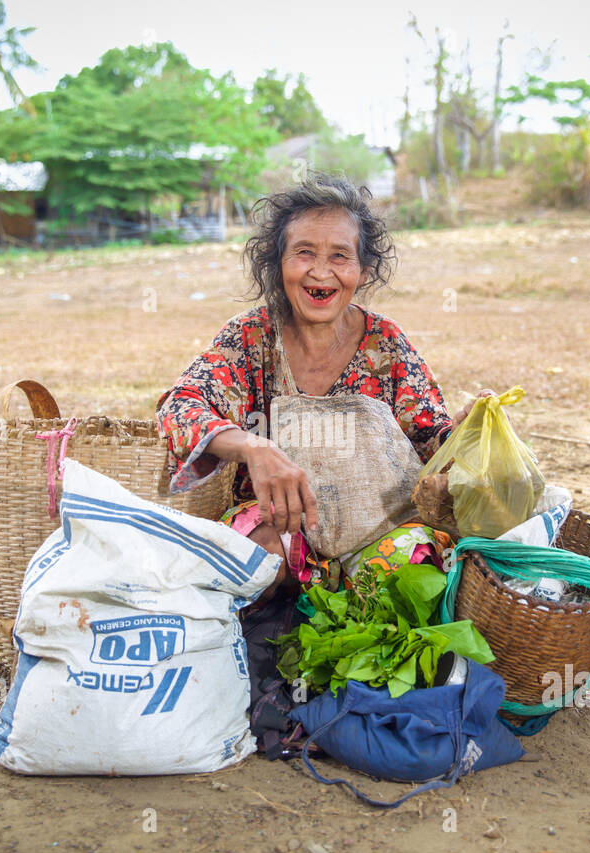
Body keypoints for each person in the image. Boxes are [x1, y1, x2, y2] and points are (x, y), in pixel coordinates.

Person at [157, 172, 491, 594]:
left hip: (378, 534)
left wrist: (465, 434)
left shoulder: (385, 345)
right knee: (253, 552)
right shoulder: (250, 338)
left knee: (421, 564)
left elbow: (428, 439)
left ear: (363, 271)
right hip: (281, 529)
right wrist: (252, 446)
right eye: (304, 252)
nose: (320, 272)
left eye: (339, 256)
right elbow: (180, 407)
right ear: (278, 265)